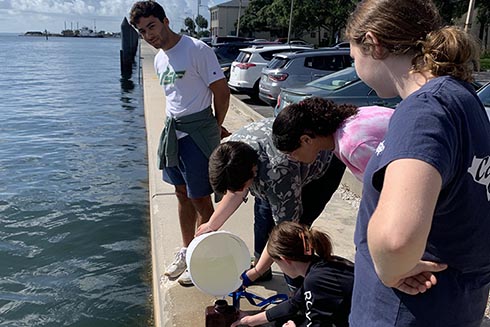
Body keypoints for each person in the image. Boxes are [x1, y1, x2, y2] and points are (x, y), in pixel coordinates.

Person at [345, 0, 490, 326]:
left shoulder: (424, 109)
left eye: (353, 56)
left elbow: (396, 240)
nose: (355, 66)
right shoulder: (464, 99)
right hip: (455, 306)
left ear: (373, 44)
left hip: (403, 312)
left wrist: (389, 269)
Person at [129, 1, 230, 285]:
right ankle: (188, 251)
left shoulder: (196, 50)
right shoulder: (160, 58)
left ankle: (204, 257)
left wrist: (216, 126)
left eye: (152, 26)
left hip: (197, 135)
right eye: (142, 31)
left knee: (202, 200)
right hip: (173, 135)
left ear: (165, 21)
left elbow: (221, 93)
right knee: (181, 194)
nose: (149, 35)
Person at [195, 118, 346, 290]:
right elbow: (236, 191)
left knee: (295, 233)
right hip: (281, 165)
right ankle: (263, 267)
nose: (238, 190)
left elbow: (286, 229)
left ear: (253, 172)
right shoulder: (230, 150)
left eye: (241, 186)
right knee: (262, 218)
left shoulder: (278, 174)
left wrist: (254, 273)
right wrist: (212, 224)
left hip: (323, 166)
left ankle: (297, 285)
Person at [231, 221, 354, 327]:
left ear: (285, 260)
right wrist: (250, 320)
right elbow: (293, 304)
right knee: (288, 318)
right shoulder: (323, 265)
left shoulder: (316, 281)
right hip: (355, 314)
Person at [273, 97, 393, 181]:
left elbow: (397, 186)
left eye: (291, 154)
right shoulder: (347, 124)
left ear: (306, 140)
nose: (293, 159)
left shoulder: (352, 146)